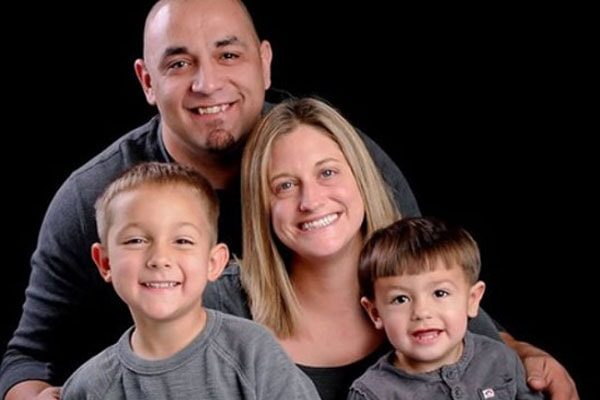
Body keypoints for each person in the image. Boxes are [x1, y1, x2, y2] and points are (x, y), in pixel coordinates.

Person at [0, 1, 576, 399]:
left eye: (229, 54)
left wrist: (515, 354)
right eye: (178, 63)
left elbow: (423, 271)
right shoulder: (100, 198)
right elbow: (30, 357)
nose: (207, 84)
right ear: (147, 80)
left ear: (264, 60)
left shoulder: (341, 154)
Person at [202, 97, 575, 400]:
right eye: (284, 185)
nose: (310, 200)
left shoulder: (428, 281)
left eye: (328, 172)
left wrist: (526, 355)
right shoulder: (223, 307)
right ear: (260, 205)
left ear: (361, 178)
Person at [60, 162, 320, 400]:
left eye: (182, 241)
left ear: (213, 263)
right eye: (136, 241)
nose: (160, 259)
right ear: (105, 263)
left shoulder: (252, 353)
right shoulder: (90, 388)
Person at [348, 216, 542, 399]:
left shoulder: (500, 359)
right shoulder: (372, 392)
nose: (422, 312)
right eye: (401, 299)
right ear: (375, 313)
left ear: (472, 300)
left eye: (440, 293)